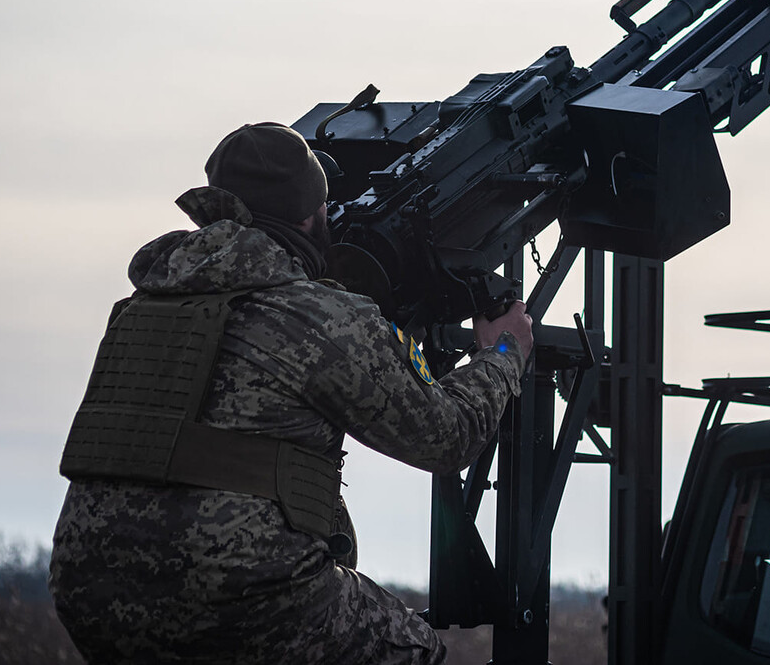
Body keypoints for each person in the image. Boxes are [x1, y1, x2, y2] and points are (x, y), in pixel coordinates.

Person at [50, 122, 535, 664]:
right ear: (309, 215)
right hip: (240, 595)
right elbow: (447, 438)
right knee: (415, 650)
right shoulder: (319, 317)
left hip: (89, 592)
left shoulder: (140, 307)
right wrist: (503, 354)